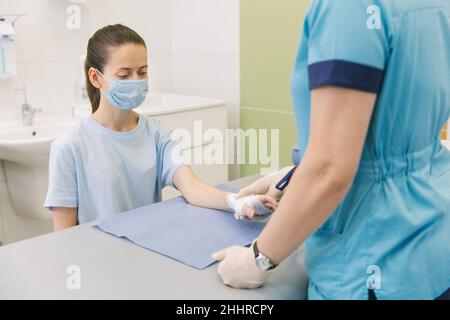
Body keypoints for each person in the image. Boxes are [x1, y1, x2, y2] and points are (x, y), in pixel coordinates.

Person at [213, 0, 450, 300]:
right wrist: (293, 175)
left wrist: (256, 259)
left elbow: (330, 172)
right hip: (431, 248)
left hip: (371, 264)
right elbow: (393, 140)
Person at [44, 24, 277, 230]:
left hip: (145, 246)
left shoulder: (156, 134)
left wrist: (237, 201)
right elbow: (64, 234)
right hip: (98, 259)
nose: (136, 81)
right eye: (124, 75)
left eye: (142, 72)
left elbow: (192, 188)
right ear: (96, 78)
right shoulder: (69, 147)